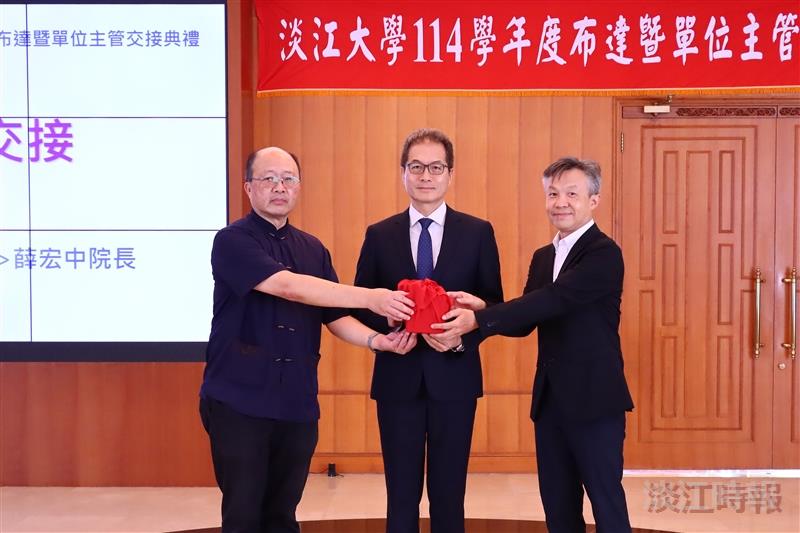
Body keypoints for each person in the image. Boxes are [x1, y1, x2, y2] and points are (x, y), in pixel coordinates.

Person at [199, 146, 418, 533]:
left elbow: (333, 316)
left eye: (288, 179)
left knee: (283, 514)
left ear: (299, 187)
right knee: (243, 513)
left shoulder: (312, 248)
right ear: (248, 188)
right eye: (268, 178)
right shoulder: (232, 240)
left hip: (297, 402)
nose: (279, 187)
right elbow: (289, 288)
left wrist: (376, 342)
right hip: (239, 399)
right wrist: (372, 297)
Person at [432, 157, 634, 533]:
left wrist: (480, 320)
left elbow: (555, 299)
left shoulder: (604, 253)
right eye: (553, 193)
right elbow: (526, 319)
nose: (561, 202)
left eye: (572, 193)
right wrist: (482, 309)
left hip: (595, 399)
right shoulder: (544, 256)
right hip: (550, 401)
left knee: (606, 503)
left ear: (594, 200)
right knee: (558, 507)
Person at [353, 128, 503, 533]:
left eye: (436, 167)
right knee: (400, 494)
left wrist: (463, 333)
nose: (426, 176)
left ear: (450, 173)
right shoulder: (379, 234)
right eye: (416, 166)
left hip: (454, 378)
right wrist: (383, 321)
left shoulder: (477, 232)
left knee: (449, 493)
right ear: (403, 173)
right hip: (397, 377)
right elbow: (362, 301)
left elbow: (493, 305)